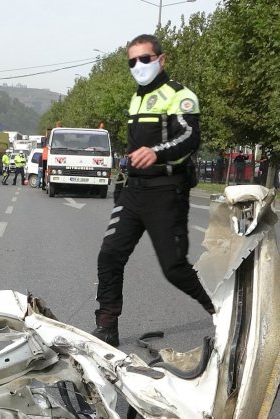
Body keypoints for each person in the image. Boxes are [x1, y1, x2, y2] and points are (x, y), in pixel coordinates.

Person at [91, 34, 214, 348]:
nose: (138, 65)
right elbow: (135, 149)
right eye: (132, 61)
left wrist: (157, 153)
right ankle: (107, 327)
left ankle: (217, 308)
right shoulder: (136, 98)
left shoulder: (181, 95)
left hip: (166, 191)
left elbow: (189, 137)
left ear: (162, 59)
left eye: (144, 58)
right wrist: (122, 184)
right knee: (109, 256)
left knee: (174, 268)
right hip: (134, 191)